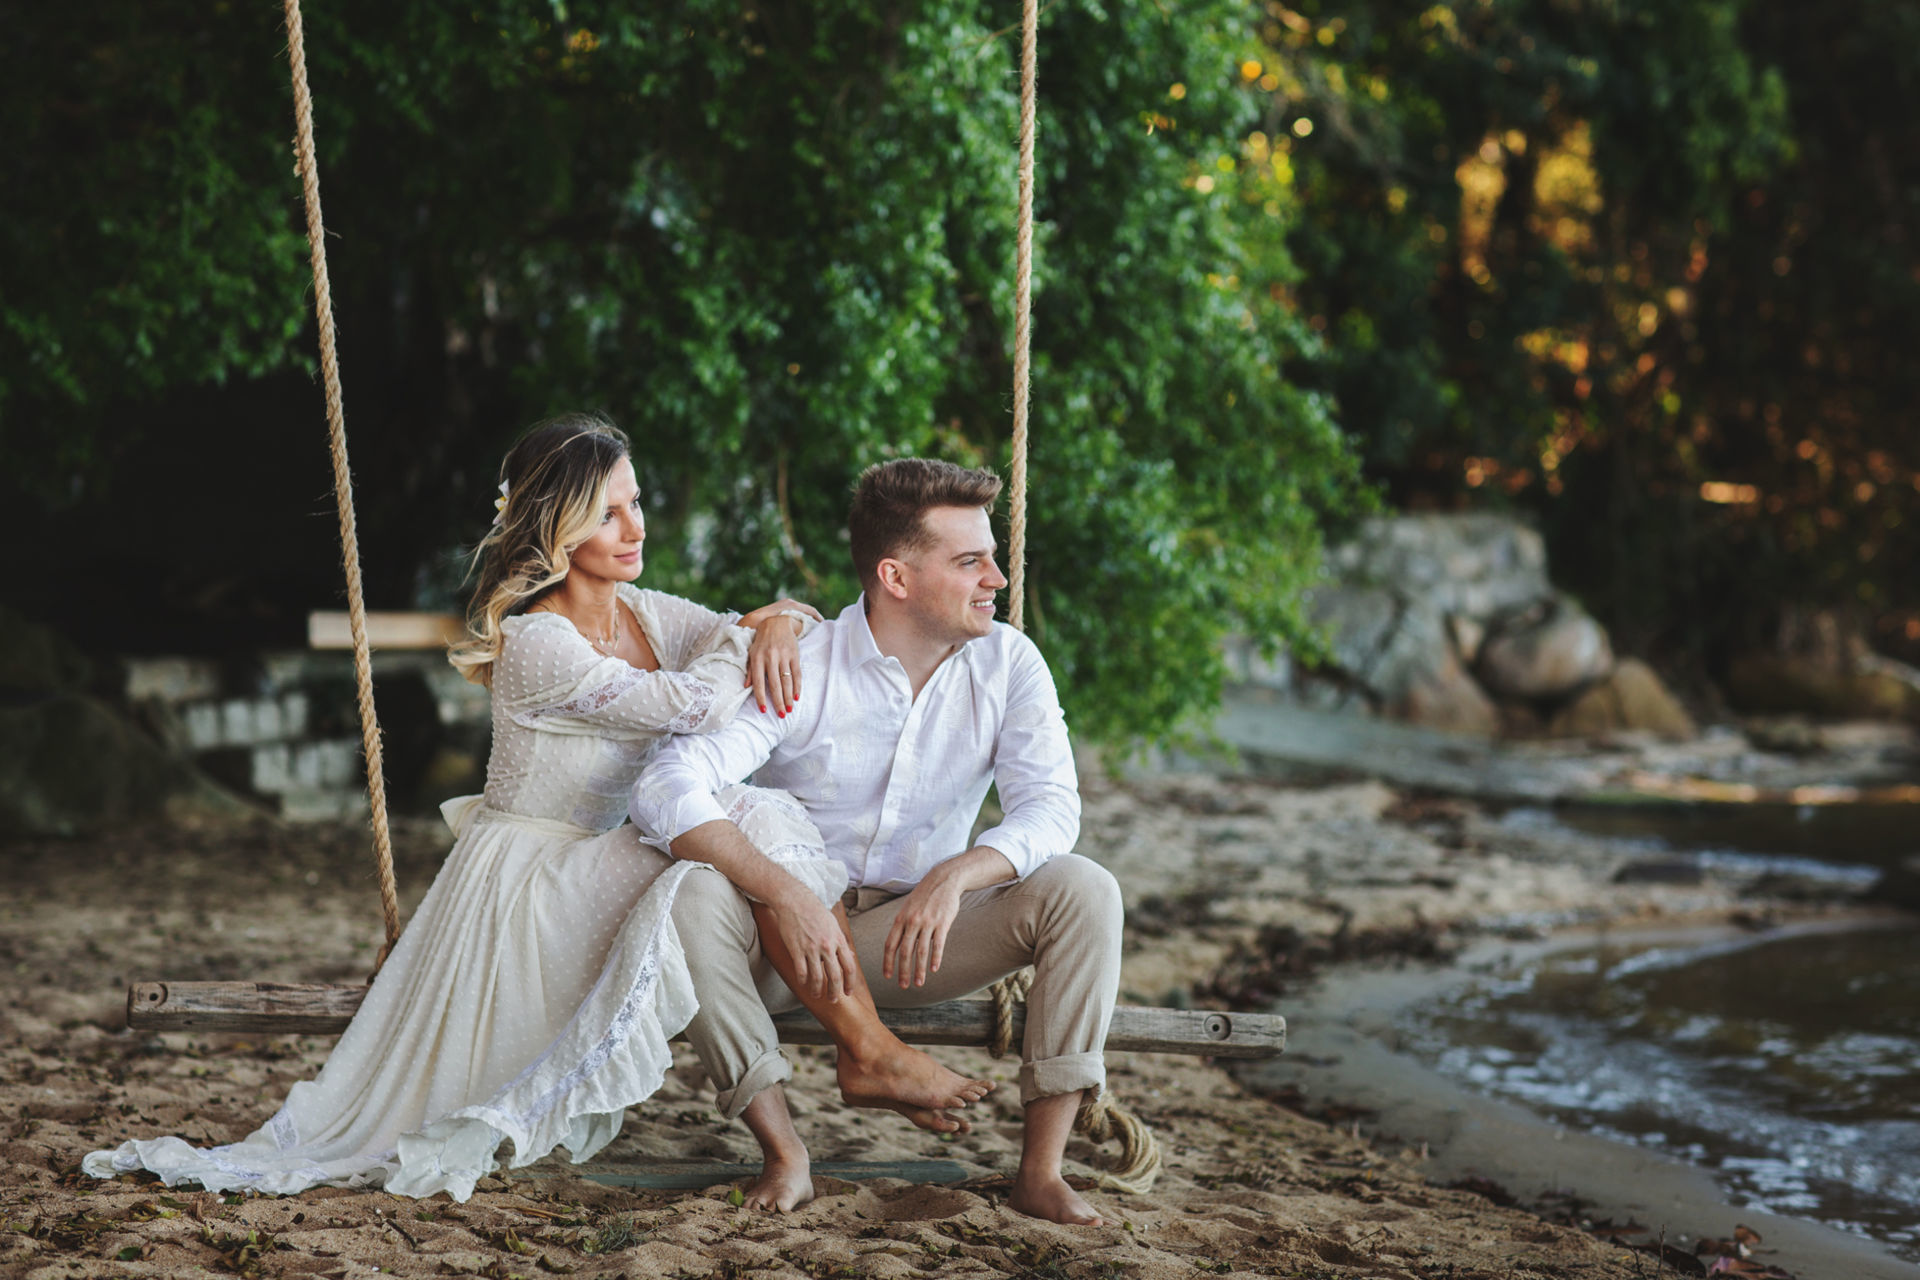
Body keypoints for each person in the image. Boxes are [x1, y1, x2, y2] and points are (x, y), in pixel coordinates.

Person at [83, 413, 848, 1203]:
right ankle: (855, 1041)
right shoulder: (535, 643)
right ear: (556, 527)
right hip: (527, 882)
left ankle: (839, 1038)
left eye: (637, 501)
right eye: (607, 513)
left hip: (587, 866)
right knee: (727, 823)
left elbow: (780, 633)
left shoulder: (644, 614)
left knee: (716, 839)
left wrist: (783, 615)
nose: (635, 527)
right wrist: (750, 634)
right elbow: (697, 704)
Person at [629, 458, 1123, 1225]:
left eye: (991, 556)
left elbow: (1052, 808)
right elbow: (666, 783)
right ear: (896, 576)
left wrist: (959, 874)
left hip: (907, 943)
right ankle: (785, 1152)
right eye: (970, 561)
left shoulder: (1009, 663)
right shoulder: (804, 661)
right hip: (780, 945)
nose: (996, 576)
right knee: (690, 892)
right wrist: (782, 888)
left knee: (1086, 889)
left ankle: (1041, 1173)